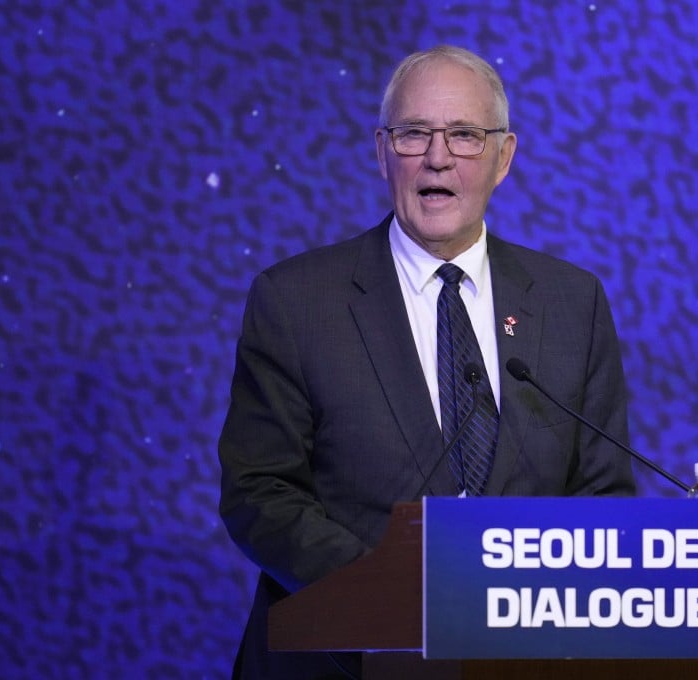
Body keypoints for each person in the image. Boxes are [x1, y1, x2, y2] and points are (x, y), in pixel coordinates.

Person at [219, 44, 637, 680]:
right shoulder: (297, 301)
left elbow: (603, 497)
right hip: (345, 661)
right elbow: (260, 493)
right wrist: (397, 595)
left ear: (504, 158)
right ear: (381, 150)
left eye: (466, 135)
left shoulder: (572, 303)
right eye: (415, 134)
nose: (438, 156)